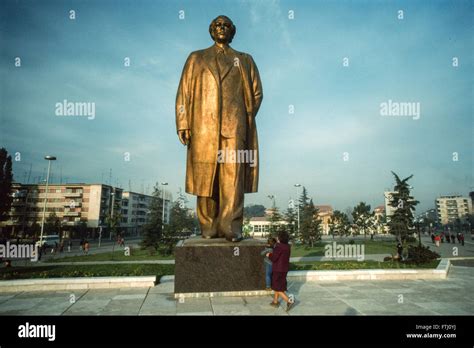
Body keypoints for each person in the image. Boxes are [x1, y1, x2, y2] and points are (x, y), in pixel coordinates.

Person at [176, 15, 263, 242]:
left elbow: (256, 93)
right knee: (206, 179)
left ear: (232, 31)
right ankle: (209, 227)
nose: (221, 28)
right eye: (217, 25)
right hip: (203, 127)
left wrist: (243, 115)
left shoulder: (244, 60)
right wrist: (183, 122)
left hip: (234, 128)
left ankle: (231, 228)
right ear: (211, 30)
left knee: (233, 180)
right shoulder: (196, 58)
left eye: (226, 25)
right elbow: (184, 93)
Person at [266, 230, 294, 312]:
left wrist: (269, 255)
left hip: (278, 269)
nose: (277, 237)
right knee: (279, 286)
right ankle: (275, 301)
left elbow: (274, 258)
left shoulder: (278, 246)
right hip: (284, 269)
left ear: (280, 238)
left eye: (278, 236)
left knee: (276, 287)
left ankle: (289, 301)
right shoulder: (287, 246)